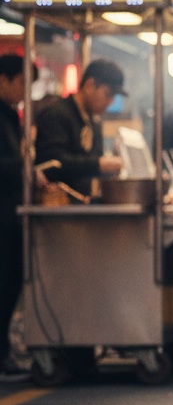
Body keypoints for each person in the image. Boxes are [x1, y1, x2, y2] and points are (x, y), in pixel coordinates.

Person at [0, 55, 41, 381]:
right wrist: (25, 167)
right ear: (4, 79)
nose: (24, 93)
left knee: (11, 283)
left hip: (12, 213)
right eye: (21, 84)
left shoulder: (11, 116)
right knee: (5, 284)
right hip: (3, 214)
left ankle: (4, 353)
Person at [36, 58, 125, 197]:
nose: (110, 101)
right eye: (108, 94)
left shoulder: (94, 122)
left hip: (81, 203)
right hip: (56, 206)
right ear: (90, 85)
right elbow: (52, 163)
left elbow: (95, 159)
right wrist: (98, 164)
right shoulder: (57, 115)